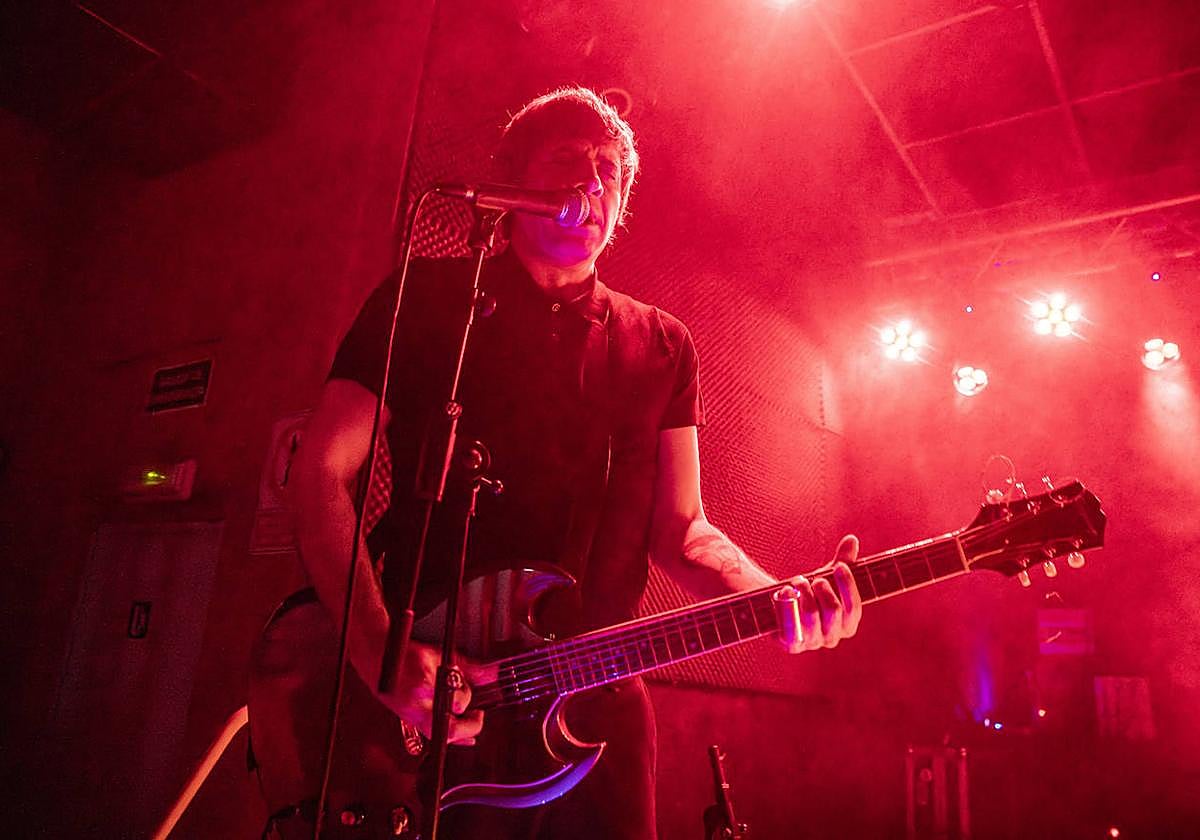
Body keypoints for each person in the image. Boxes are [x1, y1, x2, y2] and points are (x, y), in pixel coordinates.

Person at [249, 86, 863, 839]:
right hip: (430, 682)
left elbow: (684, 529)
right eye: (568, 163)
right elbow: (320, 473)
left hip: (592, 692)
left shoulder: (662, 344)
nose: (591, 186)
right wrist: (378, 648)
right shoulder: (423, 299)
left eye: (609, 172)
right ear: (510, 187)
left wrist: (773, 594)